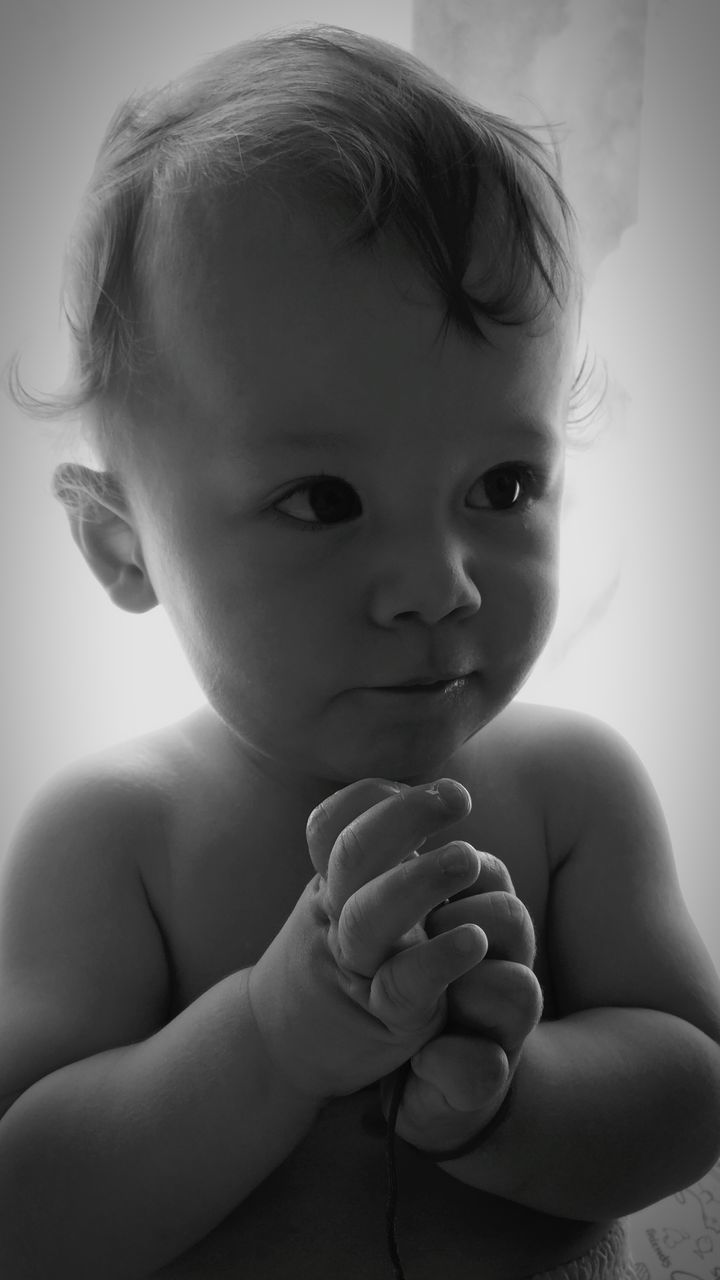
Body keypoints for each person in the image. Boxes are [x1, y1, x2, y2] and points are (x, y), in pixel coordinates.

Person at [2, 24, 719, 1280]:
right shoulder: (113, 836)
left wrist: (509, 1099)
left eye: (503, 483)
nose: (440, 584)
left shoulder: (573, 792)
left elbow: (691, 1084)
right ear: (120, 545)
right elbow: (28, 1206)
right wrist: (272, 1040)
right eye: (325, 499)